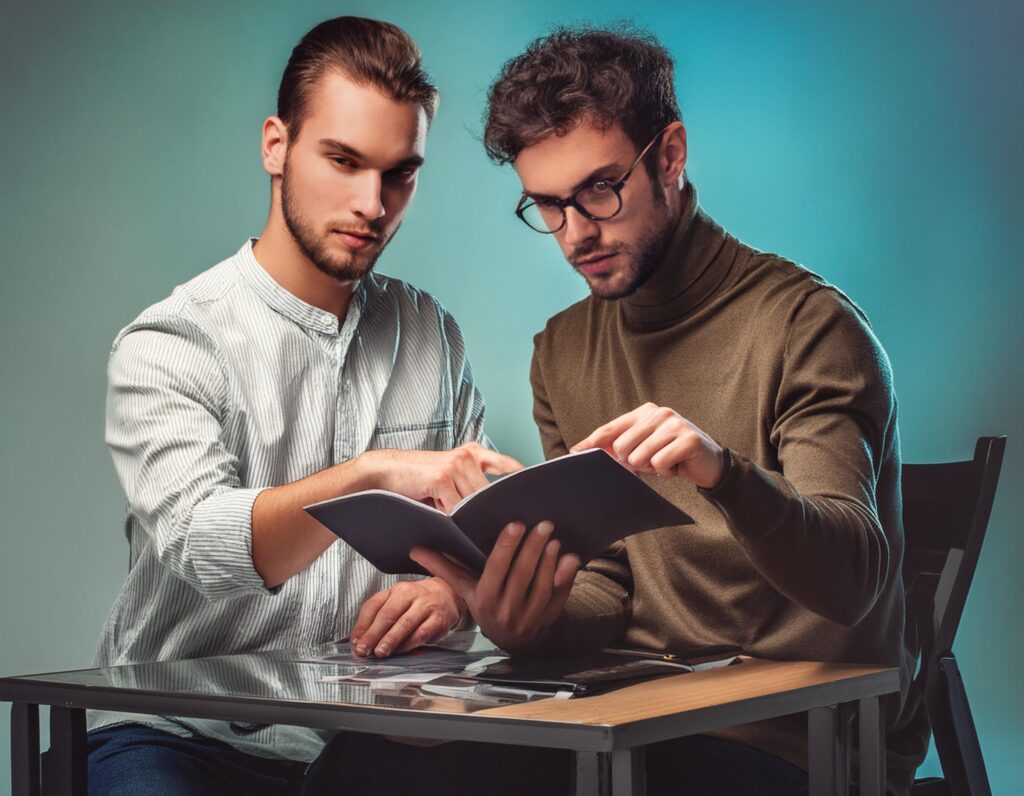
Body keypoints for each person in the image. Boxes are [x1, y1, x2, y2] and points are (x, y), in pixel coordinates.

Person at [411, 25, 930, 796]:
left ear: (671, 157)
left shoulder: (809, 326)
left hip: (797, 742)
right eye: (548, 205)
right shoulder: (560, 351)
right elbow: (609, 588)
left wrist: (722, 474)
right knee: (373, 763)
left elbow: (854, 576)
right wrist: (525, 617)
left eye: (598, 188)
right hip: (637, 720)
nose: (576, 232)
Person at [84, 16, 521, 794]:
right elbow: (204, 547)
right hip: (178, 732)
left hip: (371, 733)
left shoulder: (430, 335)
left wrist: (450, 597)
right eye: (344, 160)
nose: (371, 203)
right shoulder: (169, 343)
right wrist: (371, 474)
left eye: (399, 173)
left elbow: (471, 538)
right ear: (276, 147)